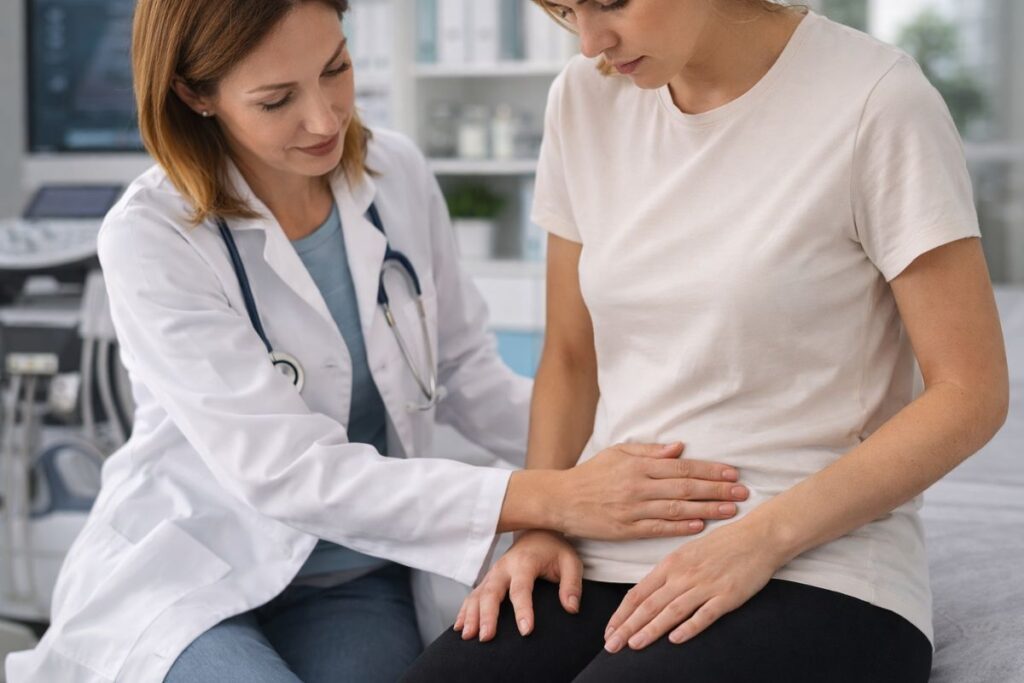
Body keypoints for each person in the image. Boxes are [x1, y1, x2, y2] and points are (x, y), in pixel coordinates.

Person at [2, 1, 753, 682]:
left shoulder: (395, 172)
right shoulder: (152, 235)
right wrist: (557, 496)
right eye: (276, 100)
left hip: (355, 578)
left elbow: (467, 377)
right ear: (197, 97)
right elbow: (288, 471)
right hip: (193, 569)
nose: (326, 120)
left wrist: (647, 452)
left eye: (337, 69)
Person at [402, 1, 1010, 682]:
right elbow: (573, 358)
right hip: (605, 549)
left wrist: (760, 537)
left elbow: (971, 391)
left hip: (817, 562)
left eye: (608, 3)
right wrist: (542, 525)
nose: (589, 42)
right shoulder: (585, 97)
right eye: (566, 10)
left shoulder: (877, 101)